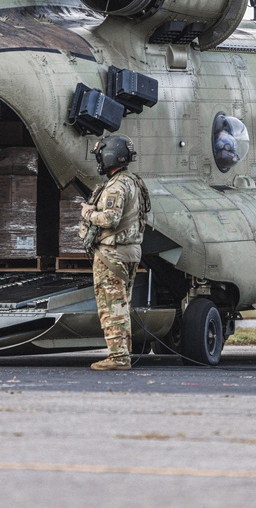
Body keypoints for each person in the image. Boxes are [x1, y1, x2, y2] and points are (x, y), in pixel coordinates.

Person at [79, 134, 150, 371]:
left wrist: (88, 213)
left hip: (112, 254)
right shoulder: (134, 182)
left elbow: (110, 219)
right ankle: (122, 353)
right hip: (130, 252)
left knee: (111, 307)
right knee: (121, 305)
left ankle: (118, 357)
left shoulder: (116, 186)